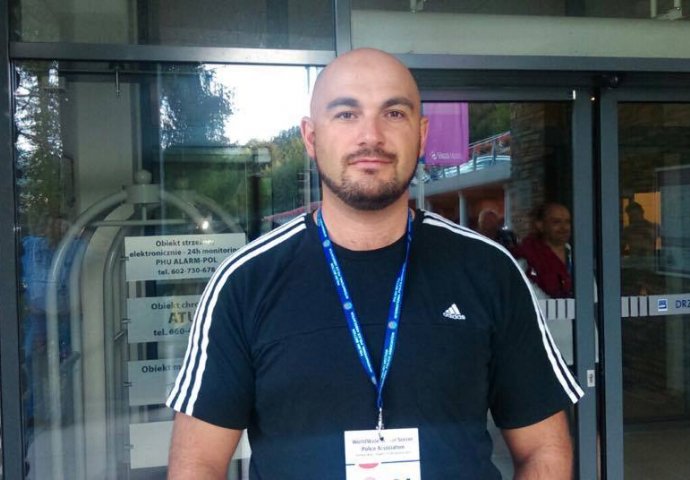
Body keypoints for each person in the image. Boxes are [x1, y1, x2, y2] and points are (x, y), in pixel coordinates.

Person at [166, 48, 583, 479]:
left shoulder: (489, 270)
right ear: (310, 137)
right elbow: (198, 464)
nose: (372, 136)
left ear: (422, 134)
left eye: (394, 113)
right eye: (346, 114)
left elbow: (543, 449)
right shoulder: (244, 282)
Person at [514, 203, 573, 299]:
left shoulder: (578, 255)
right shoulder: (526, 258)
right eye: (556, 222)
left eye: (567, 222)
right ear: (540, 225)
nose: (564, 227)